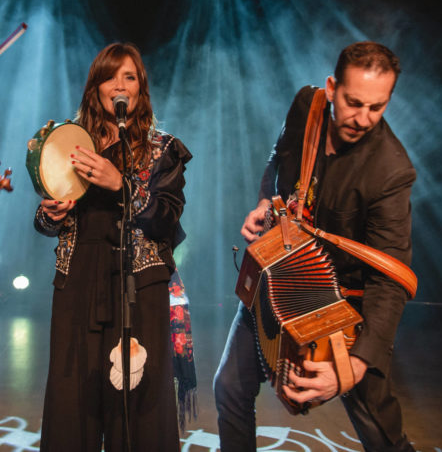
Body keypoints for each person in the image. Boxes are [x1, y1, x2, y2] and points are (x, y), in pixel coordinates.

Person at [213, 41, 416, 451]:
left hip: (342, 308)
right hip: (280, 279)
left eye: (377, 108)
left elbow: (389, 280)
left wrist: (355, 365)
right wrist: (263, 202)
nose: (363, 119)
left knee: (381, 435)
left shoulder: (391, 171)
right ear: (331, 88)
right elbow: (277, 159)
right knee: (230, 387)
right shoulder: (308, 105)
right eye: (354, 102)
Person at [33, 42, 192, 451]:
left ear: (141, 88)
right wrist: (51, 214)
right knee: (73, 401)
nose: (119, 85)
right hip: (79, 281)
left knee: (138, 403)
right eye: (110, 76)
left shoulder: (162, 148)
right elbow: (42, 221)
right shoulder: (68, 144)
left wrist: (120, 183)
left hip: (139, 286)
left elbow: (165, 218)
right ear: (95, 87)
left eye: (130, 76)